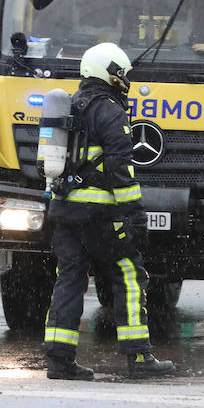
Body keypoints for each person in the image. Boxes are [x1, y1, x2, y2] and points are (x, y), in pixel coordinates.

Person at [42, 42, 175, 381]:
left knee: (69, 279)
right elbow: (120, 169)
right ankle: (139, 357)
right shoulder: (110, 111)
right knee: (128, 275)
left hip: (64, 212)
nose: (124, 80)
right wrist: (135, 216)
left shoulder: (70, 105)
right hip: (101, 216)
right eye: (122, 74)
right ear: (109, 72)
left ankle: (59, 359)